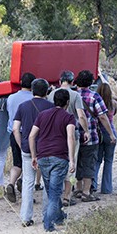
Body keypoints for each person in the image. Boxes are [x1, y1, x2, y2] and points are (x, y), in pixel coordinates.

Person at [28, 89, 76, 231]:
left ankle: (59, 216)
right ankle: (48, 225)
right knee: (54, 194)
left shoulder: (42, 115)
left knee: (51, 190)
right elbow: (70, 137)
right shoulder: (68, 117)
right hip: (59, 157)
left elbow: (31, 136)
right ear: (67, 102)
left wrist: (33, 155)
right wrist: (72, 160)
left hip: (43, 156)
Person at [12, 78, 54, 226]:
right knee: (47, 182)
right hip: (46, 149)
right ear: (47, 91)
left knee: (28, 182)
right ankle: (47, 215)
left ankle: (25, 217)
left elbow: (16, 128)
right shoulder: (51, 106)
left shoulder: (23, 106)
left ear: (31, 89)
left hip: (27, 148)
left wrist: (20, 143)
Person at [47, 70, 89, 207]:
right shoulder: (75, 95)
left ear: (60, 82)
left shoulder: (51, 94)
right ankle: (67, 196)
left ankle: (55, 195)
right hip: (72, 132)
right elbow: (81, 115)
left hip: (55, 134)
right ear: (72, 82)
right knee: (72, 164)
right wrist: (86, 130)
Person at [73, 70, 116, 202]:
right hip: (90, 134)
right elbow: (102, 116)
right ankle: (87, 192)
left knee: (76, 161)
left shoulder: (71, 95)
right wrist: (110, 134)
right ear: (91, 82)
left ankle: (78, 189)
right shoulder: (94, 96)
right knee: (89, 162)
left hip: (72, 135)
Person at [4, 72, 35, 203]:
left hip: (13, 132)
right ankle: (26, 194)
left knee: (17, 162)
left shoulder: (10, 98)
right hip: (29, 134)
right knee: (29, 163)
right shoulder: (33, 98)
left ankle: (11, 183)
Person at [92, 82, 117, 193]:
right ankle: (106, 188)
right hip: (110, 132)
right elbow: (114, 114)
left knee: (97, 160)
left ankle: (92, 185)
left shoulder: (95, 103)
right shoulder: (113, 103)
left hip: (98, 132)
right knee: (108, 160)